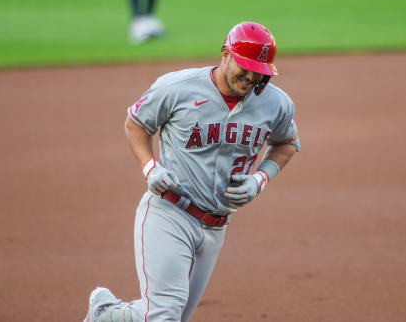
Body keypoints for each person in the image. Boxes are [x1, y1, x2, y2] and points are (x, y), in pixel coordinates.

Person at [82, 21, 301, 322]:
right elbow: (136, 123)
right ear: (225, 54)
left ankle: (106, 315)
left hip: (216, 226)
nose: (251, 77)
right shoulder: (177, 88)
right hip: (169, 213)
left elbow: (286, 144)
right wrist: (150, 169)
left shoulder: (276, 104)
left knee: (167, 316)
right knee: (164, 316)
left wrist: (259, 179)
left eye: (259, 72)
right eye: (245, 67)